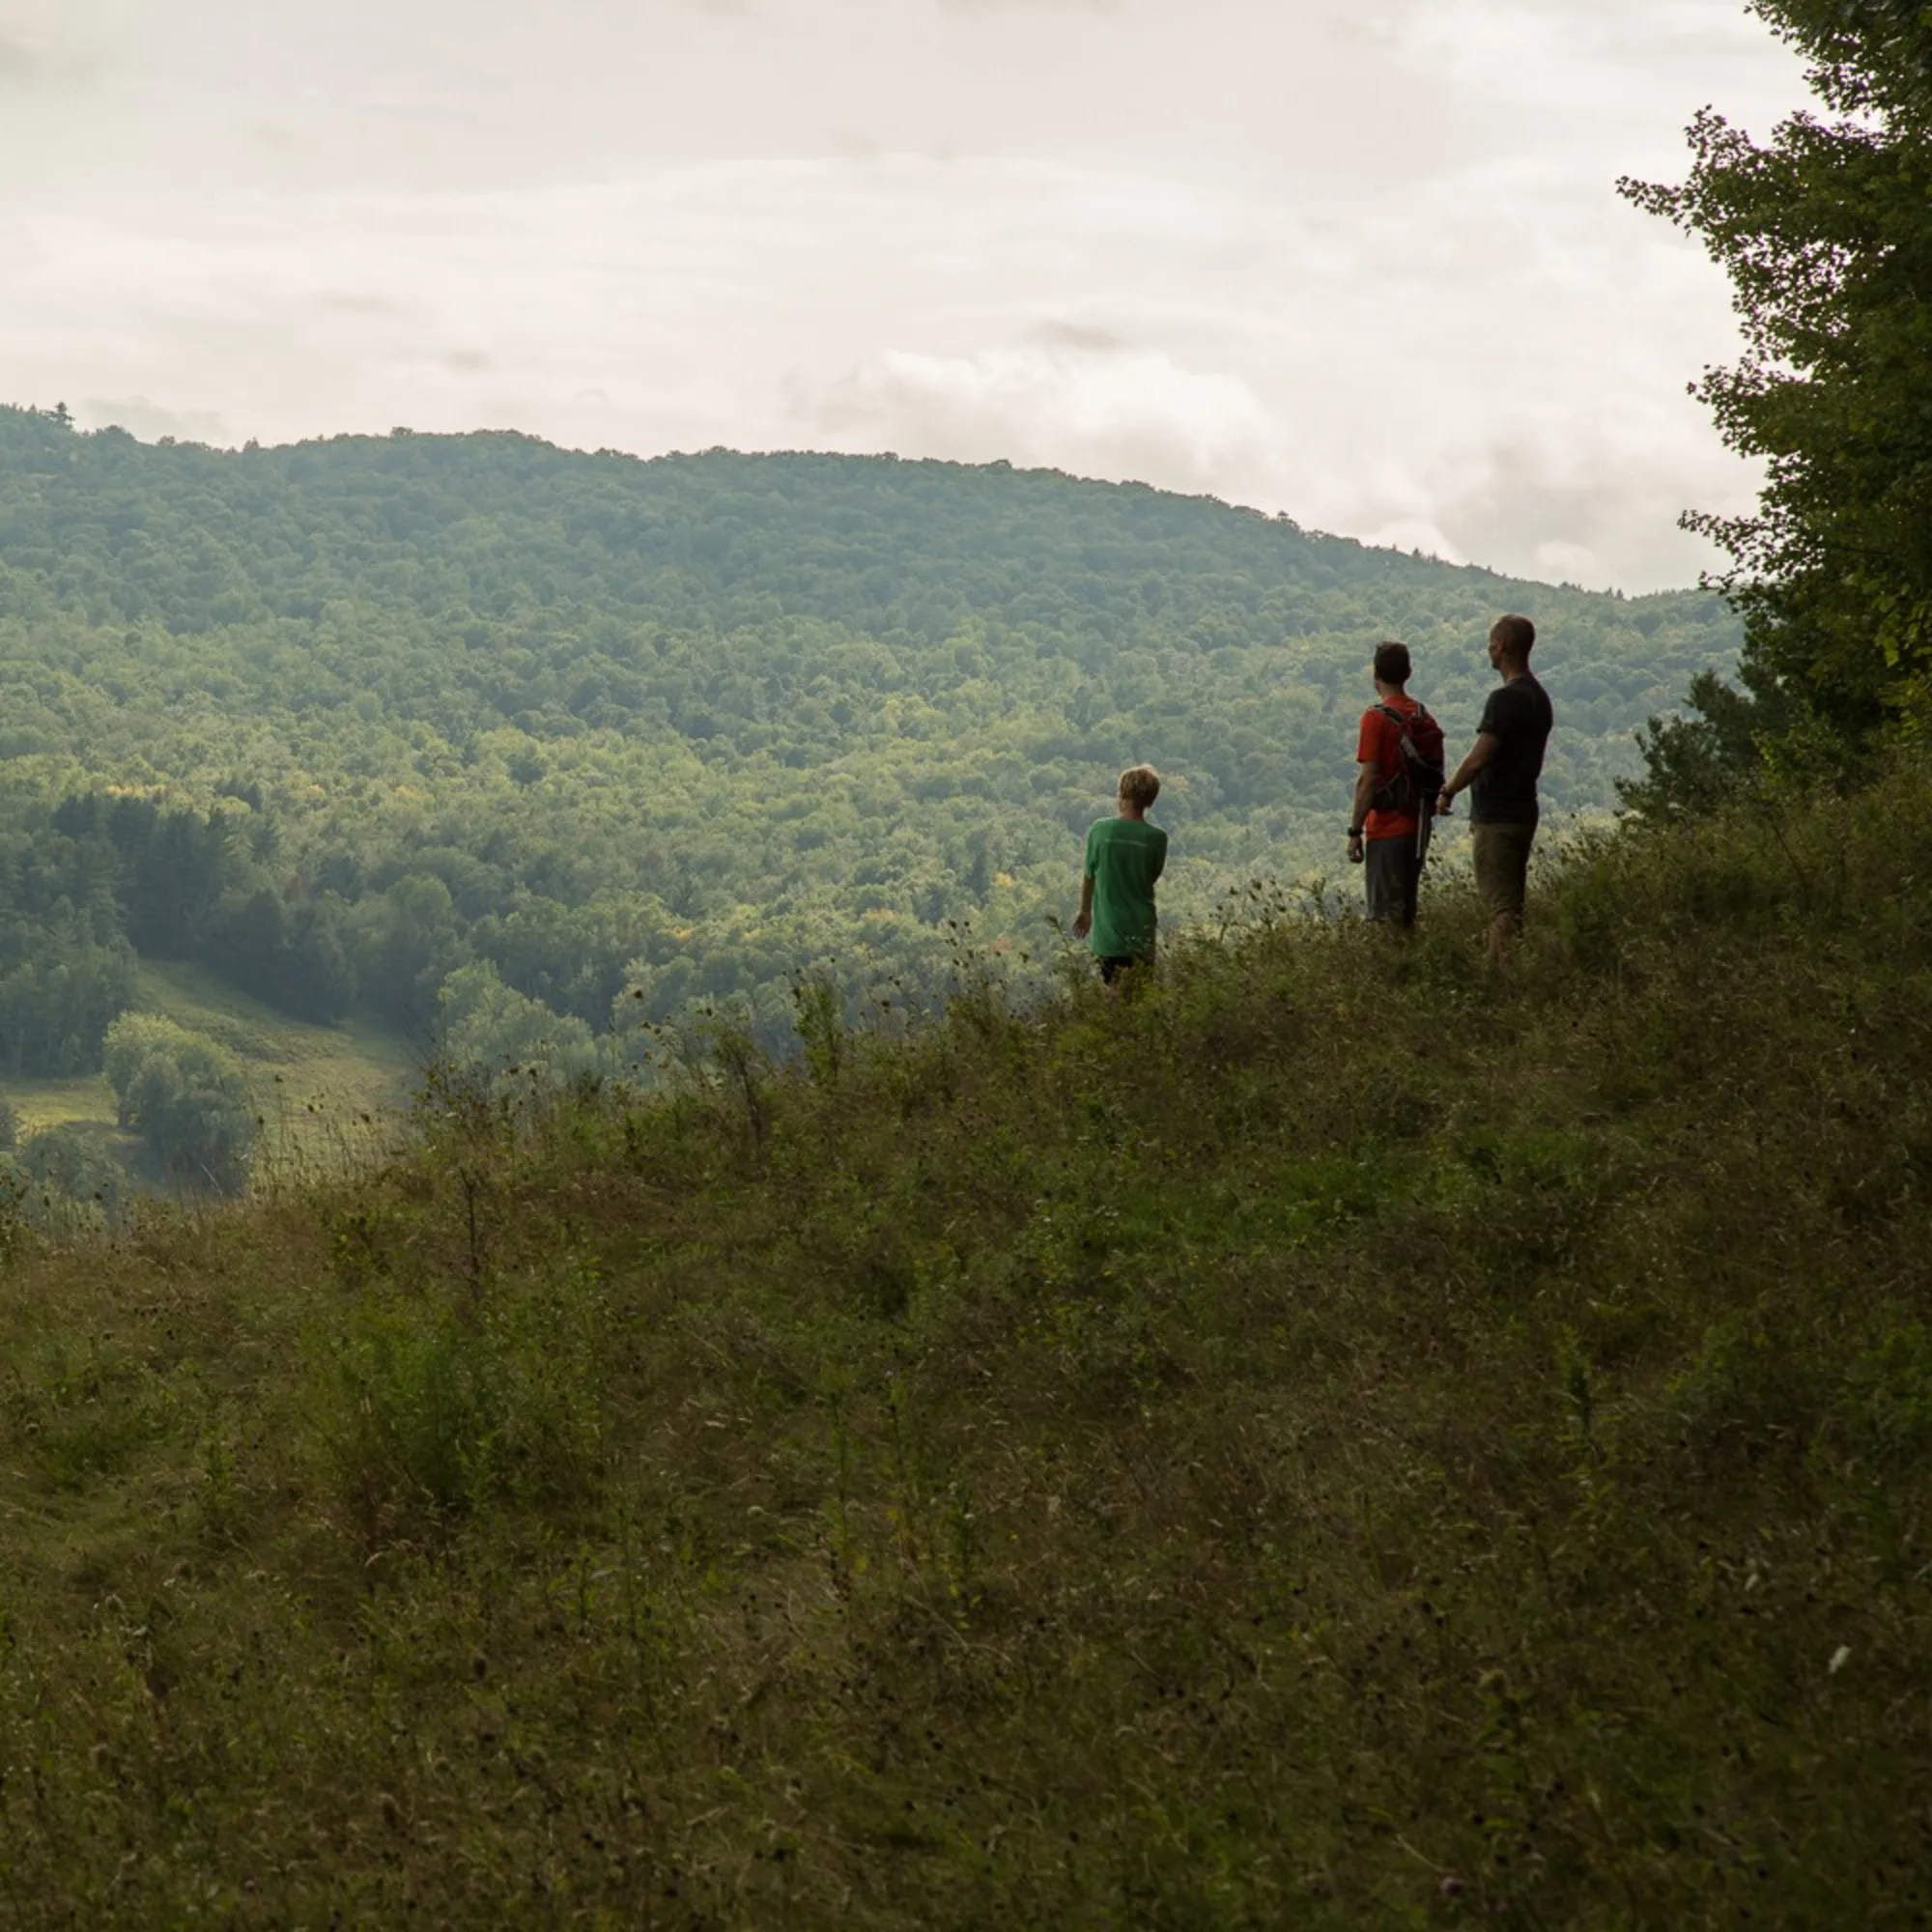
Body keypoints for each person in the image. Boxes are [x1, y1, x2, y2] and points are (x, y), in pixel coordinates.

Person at [1438, 613, 1555, 964]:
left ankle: (1499, 979)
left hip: (1498, 817)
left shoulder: (1503, 700)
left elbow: (1479, 757)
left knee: (1500, 905)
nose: (1488, 649)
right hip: (1523, 811)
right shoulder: (1539, 697)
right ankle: (1506, 969)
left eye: (1491, 643)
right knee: (1511, 901)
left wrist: (1449, 790)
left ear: (1501, 646)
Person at [1346, 640, 1441, 927]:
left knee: (1385, 921)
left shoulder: (1375, 719)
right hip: (1417, 828)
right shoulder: (1423, 716)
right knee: (1406, 918)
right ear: (1408, 672)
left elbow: (1368, 779)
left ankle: (1393, 972)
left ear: (1376, 675)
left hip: (1386, 830)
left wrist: (1354, 831)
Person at [1073, 764, 1168, 986]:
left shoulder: (1101, 830)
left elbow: (1089, 874)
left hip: (1109, 932)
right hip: (1142, 931)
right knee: (1140, 997)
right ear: (1150, 799)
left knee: (1114, 993)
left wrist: (1085, 910)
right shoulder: (1157, 838)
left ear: (1122, 794)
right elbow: (1152, 876)